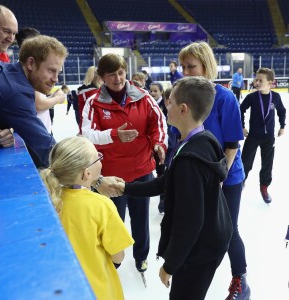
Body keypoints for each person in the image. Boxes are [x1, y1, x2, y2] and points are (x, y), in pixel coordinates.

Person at [113, 77, 233, 300]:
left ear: (183, 109)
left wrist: (171, 265)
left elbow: (189, 222)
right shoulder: (201, 139)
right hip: (212, 236)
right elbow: (166, 181)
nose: (166, 105)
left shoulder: (191, 159)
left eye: (170, 101)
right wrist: (126, 187)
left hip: (201, 247)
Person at [81, 53, 167, 274]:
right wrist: (113, 134)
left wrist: (159, 144)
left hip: (141, 171)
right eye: (112, 75)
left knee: (141, 220)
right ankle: (115, 259)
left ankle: (141, 257)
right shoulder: (93, 103)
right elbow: (87, 135)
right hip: (111, 176)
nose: (118, 79)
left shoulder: (143, 97)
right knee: (113, 222)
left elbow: (158, 123)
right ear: (102, 77)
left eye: (121, 73)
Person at [178, 41, 250, 300]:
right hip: (196, 178)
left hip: (227, 178)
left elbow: (231, 145)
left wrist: (219, 177)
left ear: (206, 67)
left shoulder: (225, 97)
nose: (186, 72)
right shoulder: (182, 97)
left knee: (228, 231)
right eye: (183, 67)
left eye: (191, 66)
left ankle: (240, 280)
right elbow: (180, 139)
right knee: (195, 229)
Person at [40, 136, 134, 300]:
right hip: (96, 289)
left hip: (61, 287)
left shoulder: (47, 200)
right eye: (98, 157)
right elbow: (118, 256)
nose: (100, 158)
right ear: (87, 173)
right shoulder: (101, 206)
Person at [0, 35, 68, 168]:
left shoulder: (5, 71)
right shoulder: (17, 92)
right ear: (30, 63)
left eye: (58, 73)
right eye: (51, 71)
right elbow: (47, 149)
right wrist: (96, 179)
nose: (55, 79)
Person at [240, 67, 286, 203]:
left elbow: (282, 111)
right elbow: (240, 110)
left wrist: (282, 126)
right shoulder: (252, 97)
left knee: (267, 164)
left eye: (261, 80)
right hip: (253, 135)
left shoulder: (275, 97)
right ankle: (240, 182)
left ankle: (264, 187)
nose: (257, 82)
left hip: (268, 138)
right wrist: (242, 126)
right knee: (245, 161)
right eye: (256, 79)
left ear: (270, 82)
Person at [16, 27, 66, 134]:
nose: (56, 79)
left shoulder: (23, 70)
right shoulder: (29, 72)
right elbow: (38, 105)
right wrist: (57, 98)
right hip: (36, 135)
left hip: (42, 132)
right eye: (51, 70)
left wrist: (53, 97)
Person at [0, 4, 18, 147]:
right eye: (7, 31)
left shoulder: (2, 58)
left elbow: (8, 104)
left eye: (14, 34)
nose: (11, 38)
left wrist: (8, 129)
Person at [149, 81, 167, 214]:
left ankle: (163, 201)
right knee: (159, 173)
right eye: (151, 91)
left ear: (161, 92)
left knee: (163, 173)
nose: (152, 93)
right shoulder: (149, 104)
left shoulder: (165, 106)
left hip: (164, 144)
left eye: (155, 91)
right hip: (152, 145)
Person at [77, 66, 103, 131]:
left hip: (83, 127)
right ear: (100, 79)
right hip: (95, 129)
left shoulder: (81, 92)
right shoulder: (97, 94)